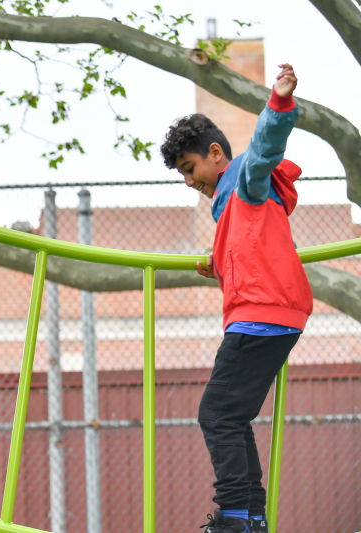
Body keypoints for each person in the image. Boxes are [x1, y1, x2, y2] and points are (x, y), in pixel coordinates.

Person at [160, 64, 312, 533]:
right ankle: (252, 516)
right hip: (272, 315)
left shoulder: (245, 177)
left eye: (190, 169)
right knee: (233, 416)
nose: (189, 181)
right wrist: (217, 263)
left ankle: (235, 518)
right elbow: (251, 247)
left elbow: (264, 149)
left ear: (215, 153)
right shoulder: (231, 204)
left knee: (217, 414)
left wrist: (279, 103)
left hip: (259, 318)